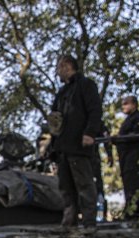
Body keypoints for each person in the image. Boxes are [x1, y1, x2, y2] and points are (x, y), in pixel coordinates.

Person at [49, 55, 102, 228]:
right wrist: (52, 146)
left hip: (79, 145)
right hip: (63, 146)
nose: (57, 71)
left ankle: (89, 223)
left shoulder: (86, 85)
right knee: (66, 187)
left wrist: (90, 133)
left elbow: (95, 111)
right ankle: (69, 222)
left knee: (85, 185)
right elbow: (55, 120)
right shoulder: (62, 93)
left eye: (59, 67)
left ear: (67, 66)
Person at [113, 96, 139, 218]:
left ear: (134, 104)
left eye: (126, 103)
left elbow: (138, 135)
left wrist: (121, 139)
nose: (123, 106)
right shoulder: (128, 120)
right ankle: (130, 211)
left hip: (135, 158)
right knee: (128, 185)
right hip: (125, 159)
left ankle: (137, 213)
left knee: (134, 185)